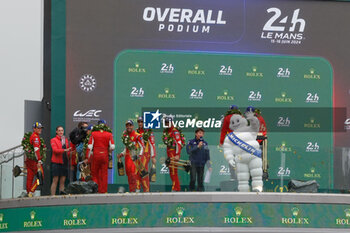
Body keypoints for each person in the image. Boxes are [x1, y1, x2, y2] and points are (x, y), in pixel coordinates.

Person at [85, 119, 115, 193]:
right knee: (104, 174)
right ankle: (104, 191)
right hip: (105, 156)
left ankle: (96, 190)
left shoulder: (93, 134)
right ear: (105, 125)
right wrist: (108, 150)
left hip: (96, 155)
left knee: (94, 173)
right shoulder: (109, 134)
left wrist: (87, 157)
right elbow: (113, 147)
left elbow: (89, 147)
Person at [118, 120, 145, 192]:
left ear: (133, 126)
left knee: (134, 175)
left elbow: (142, 147)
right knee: (129, 175)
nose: (128, 127)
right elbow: (126, 148)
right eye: (127, 125)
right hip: (127, 158)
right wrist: (122, 154)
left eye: (130, 125)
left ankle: (137, 190)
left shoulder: (137, 135)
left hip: (134, 157)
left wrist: (139, 156)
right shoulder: (125, 136)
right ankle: (131, 191)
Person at [163, 116, 184, 192]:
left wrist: (177, 154)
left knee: (173, 171)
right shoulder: (166, 131)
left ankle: (176, 188)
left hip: (174, 152)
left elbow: (179, 143)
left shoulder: (175, 131)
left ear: (172, 122)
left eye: (168, 122)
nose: (167, 123)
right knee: (171, 171)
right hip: (169, 152)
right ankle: (176, 187)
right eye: (166, 122)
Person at [136, 116, 156, 192]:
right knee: (137, 172)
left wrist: (153, 156)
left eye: (141, 122)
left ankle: (146, 190)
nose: (140, 123)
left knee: (143, 172)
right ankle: (137, 189)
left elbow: (152, 144)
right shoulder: (136, 131)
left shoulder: (148, 132)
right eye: (139, 122)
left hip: (145, 155)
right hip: (137, 155)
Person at [50, 126, 71, 195]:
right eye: (59, 130)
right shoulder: (53, 140)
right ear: (56, 132)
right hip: (56, 162)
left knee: (63, 181)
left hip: (64, 162)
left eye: (62, 130)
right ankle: (52, 197)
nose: (61, 132)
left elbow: (68, 151)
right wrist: (65, 150)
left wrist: (70, 153)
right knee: (55, 180)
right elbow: (55, 150)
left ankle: (61, 197)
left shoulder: (66, 140)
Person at [26, 122, 45, 197]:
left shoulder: (32, 136)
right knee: (40, 177)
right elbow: (36, 149)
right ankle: (31, 191)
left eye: (41, 128)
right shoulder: (36, 137)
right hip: (35, 161)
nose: (40, 130)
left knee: (30, 177)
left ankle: (28, 192)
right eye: (38, 128)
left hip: (29, 160)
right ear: (34, 129)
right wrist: (39, 160)